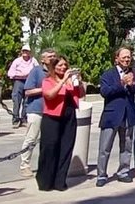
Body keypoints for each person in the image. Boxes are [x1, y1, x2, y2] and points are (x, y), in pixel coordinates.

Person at [36, 56, 84, 192]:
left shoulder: (70, 81)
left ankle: (60, 181)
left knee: (66, 148)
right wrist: (63, 81)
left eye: (65, 65)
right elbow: (49, 95)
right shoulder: (48, 80)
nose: (63, 68)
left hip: (68, 116)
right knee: (50, 149)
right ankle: (45, 181)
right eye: (60, 66)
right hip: (52, 117)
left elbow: (80, 94)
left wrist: (78, 82)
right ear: (53, 67)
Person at [97, 47, 135, 186]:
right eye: (124, 57)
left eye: (128, 57)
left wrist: (132, 84)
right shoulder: (108, 74)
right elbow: (105, 92)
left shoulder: (134, 73)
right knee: (105, 147)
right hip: (112, 115)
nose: (127, 60)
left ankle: (123, 171)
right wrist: (121, 83)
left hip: (128, 115)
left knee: (126, 145)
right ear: (117, 58)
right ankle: (101, 175)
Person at [18, 49, 53, 178]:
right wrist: (44, 89)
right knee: (31, 137)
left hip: (52, 110)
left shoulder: (56, 72)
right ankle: (25, 165)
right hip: (36, 109)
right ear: (43, 59)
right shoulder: (36, 71)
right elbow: (27, 91)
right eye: (50, 56)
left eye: (54, 56)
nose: (53, 58)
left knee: (49, 139)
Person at [6, 45, 35, 128]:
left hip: (29, 82)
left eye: (27, 51)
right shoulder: (17, 61)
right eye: (24, 51)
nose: (25, 53)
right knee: (16, 101)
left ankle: (24, 119)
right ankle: (15, 119)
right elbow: (10, 73)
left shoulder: (33, 61)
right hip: (18, 81)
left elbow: (36, 70)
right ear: (22, 52)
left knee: (27, 101)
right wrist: (19, 75)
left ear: (29, 52)